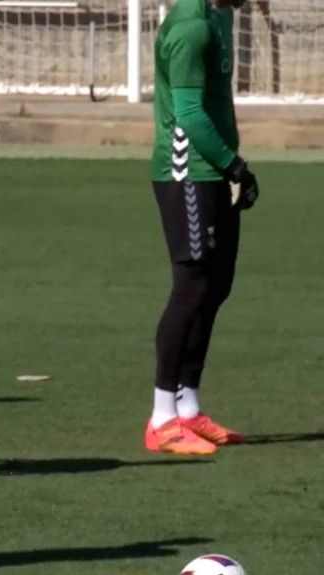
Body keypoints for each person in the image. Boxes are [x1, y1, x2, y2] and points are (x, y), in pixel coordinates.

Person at [146, 0, 260, 455]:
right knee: (191, 286)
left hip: (214, 170)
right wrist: (234, 165)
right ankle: (161, 417)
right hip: (187, 173)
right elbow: (190, 114)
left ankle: (188, 407)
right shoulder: (191, 27)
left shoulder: (220, 14)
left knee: (216, 285)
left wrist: (235, 167)